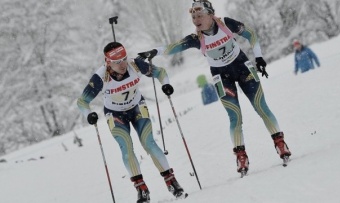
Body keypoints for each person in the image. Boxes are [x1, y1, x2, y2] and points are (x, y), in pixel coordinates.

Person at [138, 0, 291, 177]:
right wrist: (153, 52)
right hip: (221, 77)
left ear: (210, 15)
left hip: (243, 68)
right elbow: (173, 47)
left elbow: (251, 34)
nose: (196, 19)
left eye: (200, 15)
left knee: (261, 107)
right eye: (193, 17)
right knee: (235, 117)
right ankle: (241, 156)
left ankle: (280, 143)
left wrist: (259, 57)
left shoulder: (226, 23)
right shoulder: (196, 38)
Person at [77, 42, 186, 202]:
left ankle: (172, 181)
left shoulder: (135, 65)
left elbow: (160, 73)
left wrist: (166, 85)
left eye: (124, 59)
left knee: (149, 143)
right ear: (108, 62)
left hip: (137, 108)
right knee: (126, 147)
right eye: (117, 62)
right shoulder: (100, 77)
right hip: (115, 114)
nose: (122, 64)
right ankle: (141, 189)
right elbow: (82, 101)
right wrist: (89, 114)